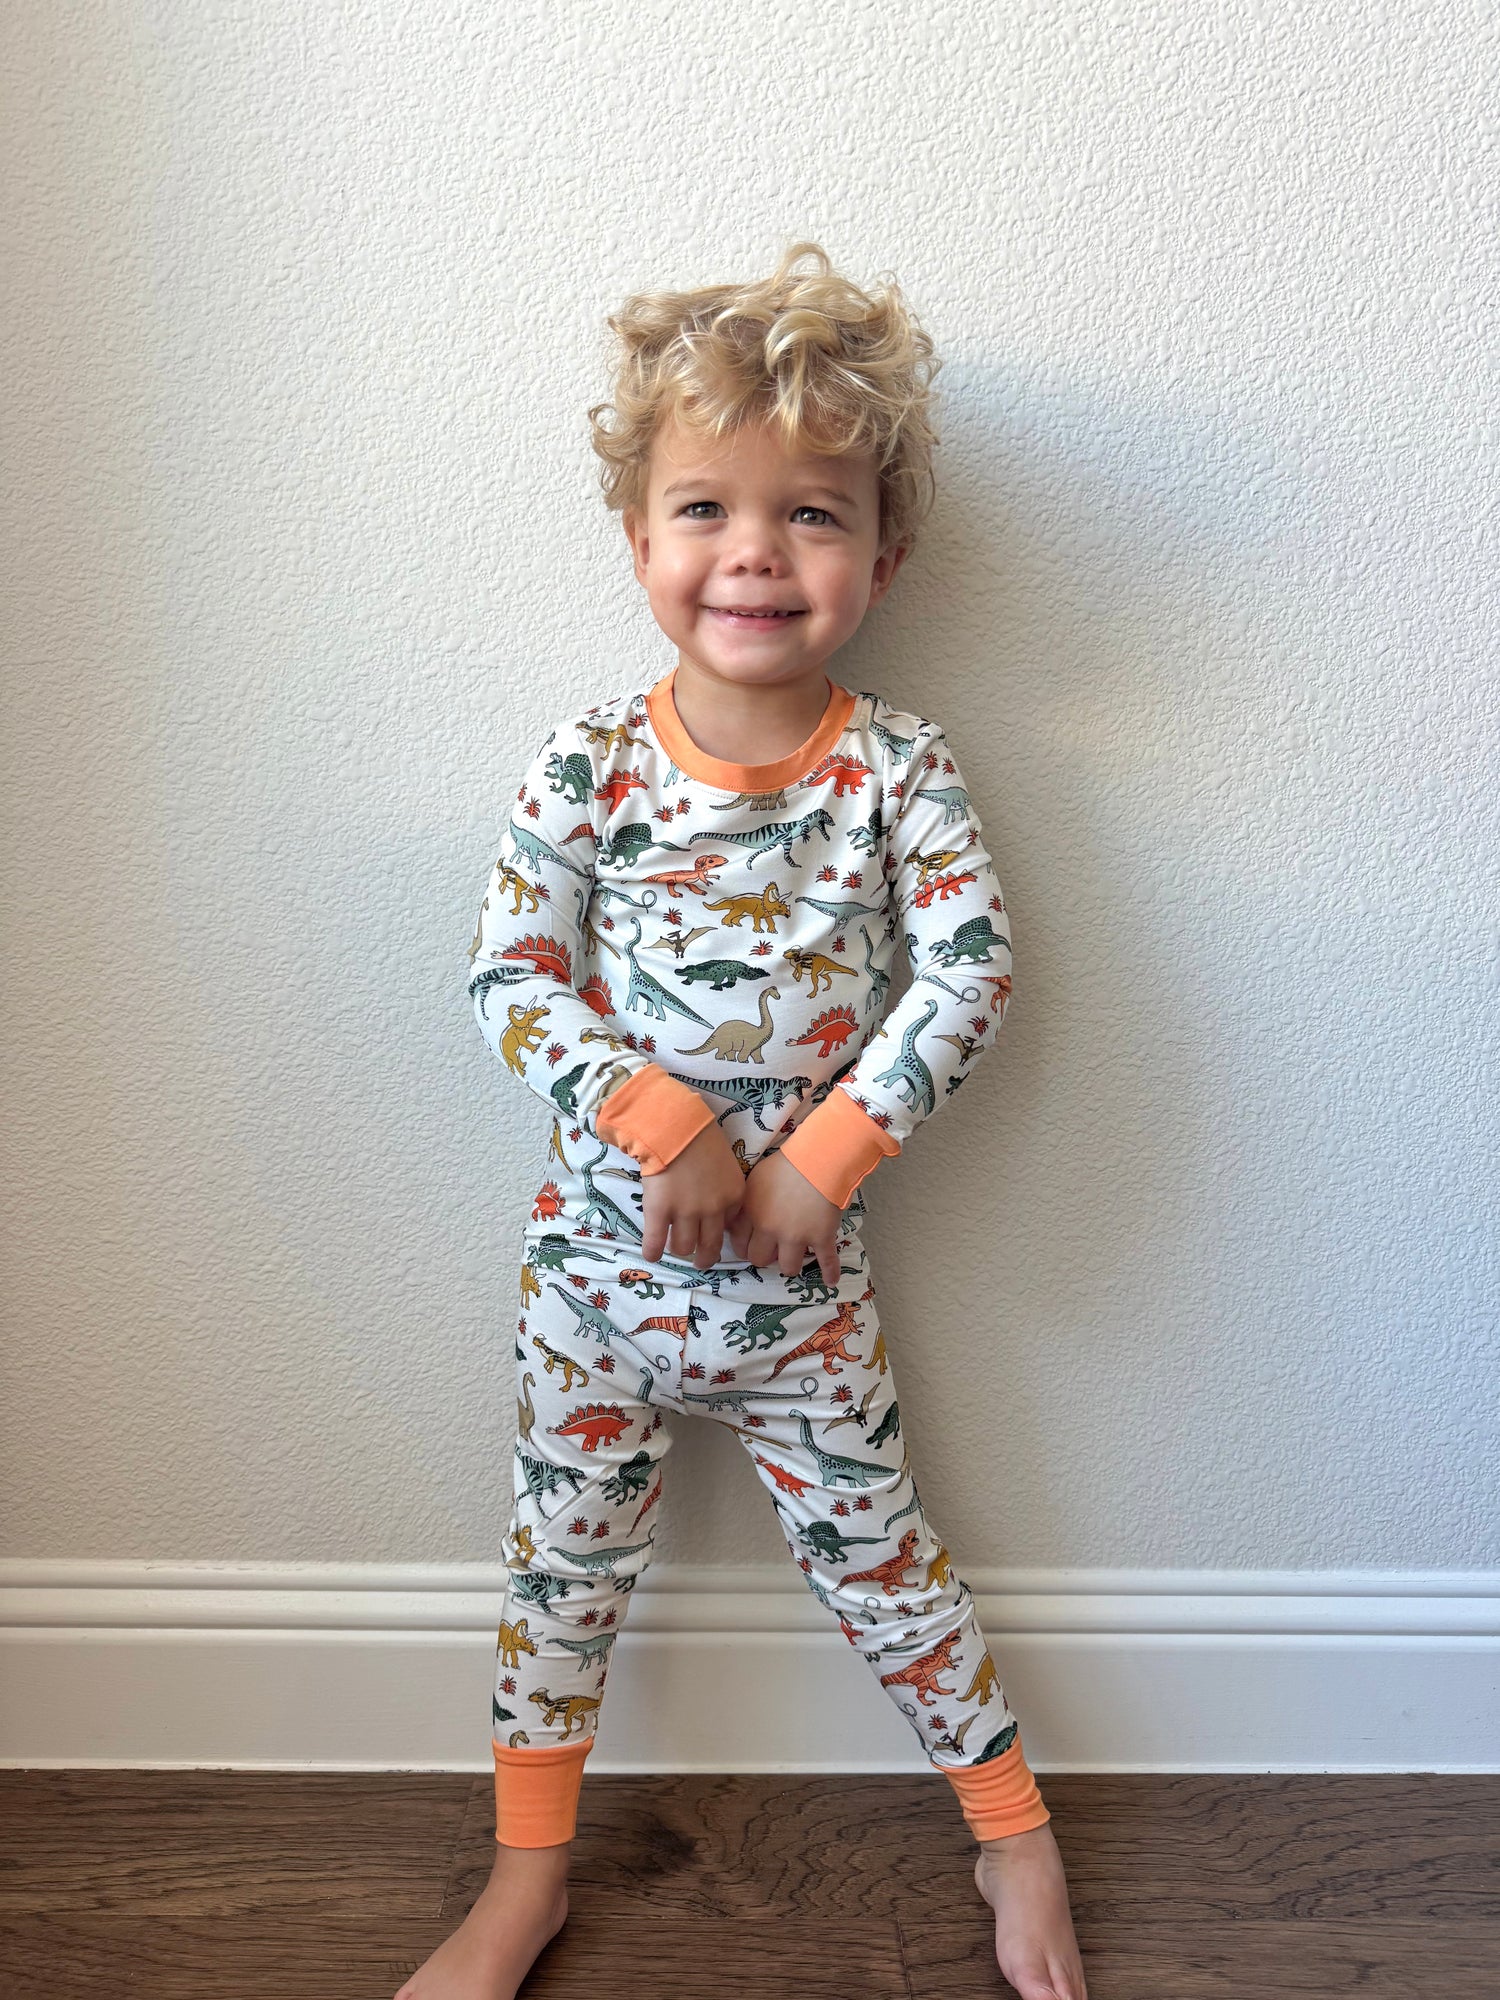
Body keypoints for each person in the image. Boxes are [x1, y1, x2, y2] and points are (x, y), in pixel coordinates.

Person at [399, 242, 1087, 2000]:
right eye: (705, 506)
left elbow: (970, 966)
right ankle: (526, 1879)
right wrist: (659, 1117)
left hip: (802, 1299)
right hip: (596, 1293)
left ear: (883, 557)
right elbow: (506, 972)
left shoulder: (898, 772)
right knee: (560, 1579)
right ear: (639, 539)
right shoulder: (588, 767)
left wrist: (822, 1161)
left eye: (813, 513)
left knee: (888, 1566)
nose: (757, 551)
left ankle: (1017, 1839)